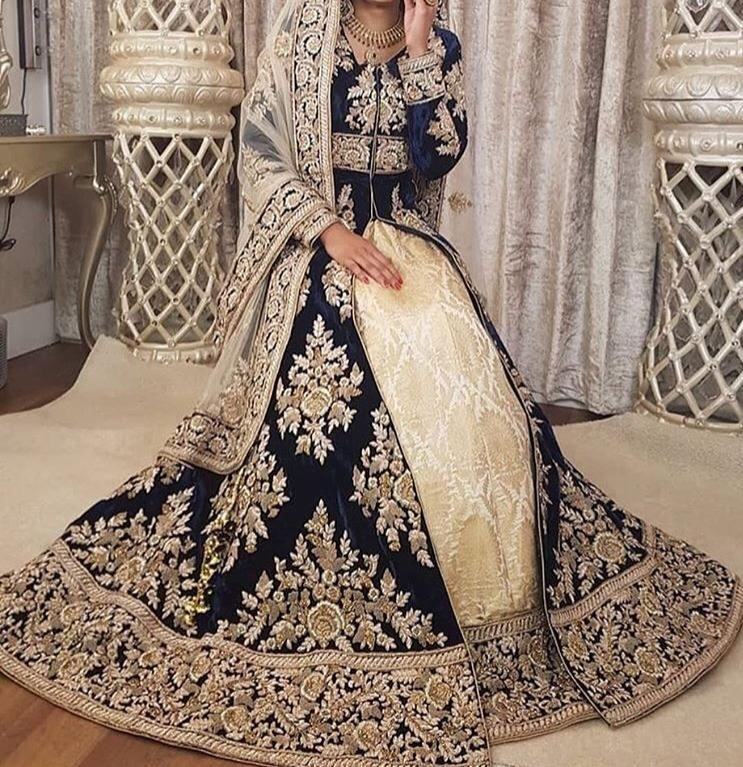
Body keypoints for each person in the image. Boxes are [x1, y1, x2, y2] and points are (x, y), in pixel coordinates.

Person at [0, 1, 740, 765]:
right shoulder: (301, 37)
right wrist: (330, 233)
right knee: (333, 416)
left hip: (408, 254)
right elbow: (261, 152)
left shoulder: (438, 45)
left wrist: (419, 56)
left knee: (489, 418)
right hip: (318, 251)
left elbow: (437, 157)